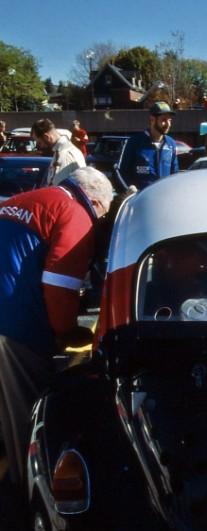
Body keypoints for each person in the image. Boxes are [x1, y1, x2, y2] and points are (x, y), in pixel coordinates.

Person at [0, 167, 113, 486]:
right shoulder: (76, 213)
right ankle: (28, 503)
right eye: (102, 214)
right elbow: (60, 286)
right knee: (27, 422)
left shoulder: (25, 199)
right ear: (95, 201)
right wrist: (64, 332)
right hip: (15, 327)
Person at [119, 102, 179, 191]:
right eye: (164, 120)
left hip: (164, 198)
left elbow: (175, 174)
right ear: (152, 120)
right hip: (142, 200)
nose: (168, 124)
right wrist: (130, 187)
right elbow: (121, 172)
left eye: (169, 120)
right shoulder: (134, 143)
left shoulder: (171, 144)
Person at [31, 118, 86, 186]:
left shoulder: (64, 154)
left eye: (39, 143)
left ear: (46, 137)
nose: (40, 147)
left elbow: (56, 189)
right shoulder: (66, 150)